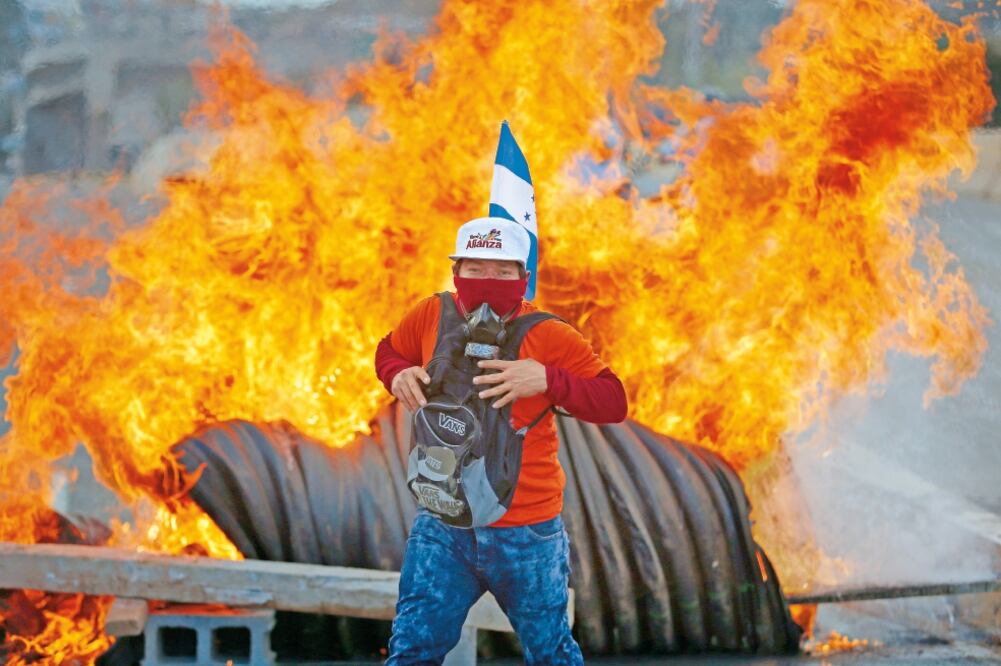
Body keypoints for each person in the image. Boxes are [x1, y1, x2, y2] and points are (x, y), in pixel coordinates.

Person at [374, 216, 628, 665]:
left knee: (551, 654)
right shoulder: (431, 313)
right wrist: (398, 374)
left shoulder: (549, 333)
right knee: (411, 652)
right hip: (443, 524)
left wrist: (546, 378)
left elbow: (613, 402)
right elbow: (388, 349)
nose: (488, 280)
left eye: (502, 271)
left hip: (526, 532)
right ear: (457, 273)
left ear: (523, 278)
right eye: (476, 269)